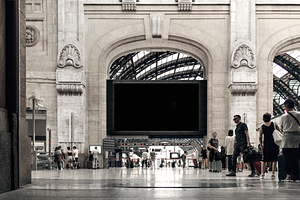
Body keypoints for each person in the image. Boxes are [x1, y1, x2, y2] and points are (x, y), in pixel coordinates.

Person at [280, 99, 300, 182]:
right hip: (298, 139)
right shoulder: (299, 114)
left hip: (287, 139)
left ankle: (289, 176)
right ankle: (297, 176)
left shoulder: (284, 116)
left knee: (288, 158)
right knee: (298, 157)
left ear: (287, 106)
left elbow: (282, 128)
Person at [259, 112, 281, 178]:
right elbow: (279, 131)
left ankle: (262, 173)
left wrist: (261, 145)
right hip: (274, 143)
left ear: (263, 119)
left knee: (264, 159)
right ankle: (273, 173)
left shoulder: (262, 126)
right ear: (270, 118)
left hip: (266, 143)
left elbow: (260, 136)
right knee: (274, 158)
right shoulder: (274, 124)